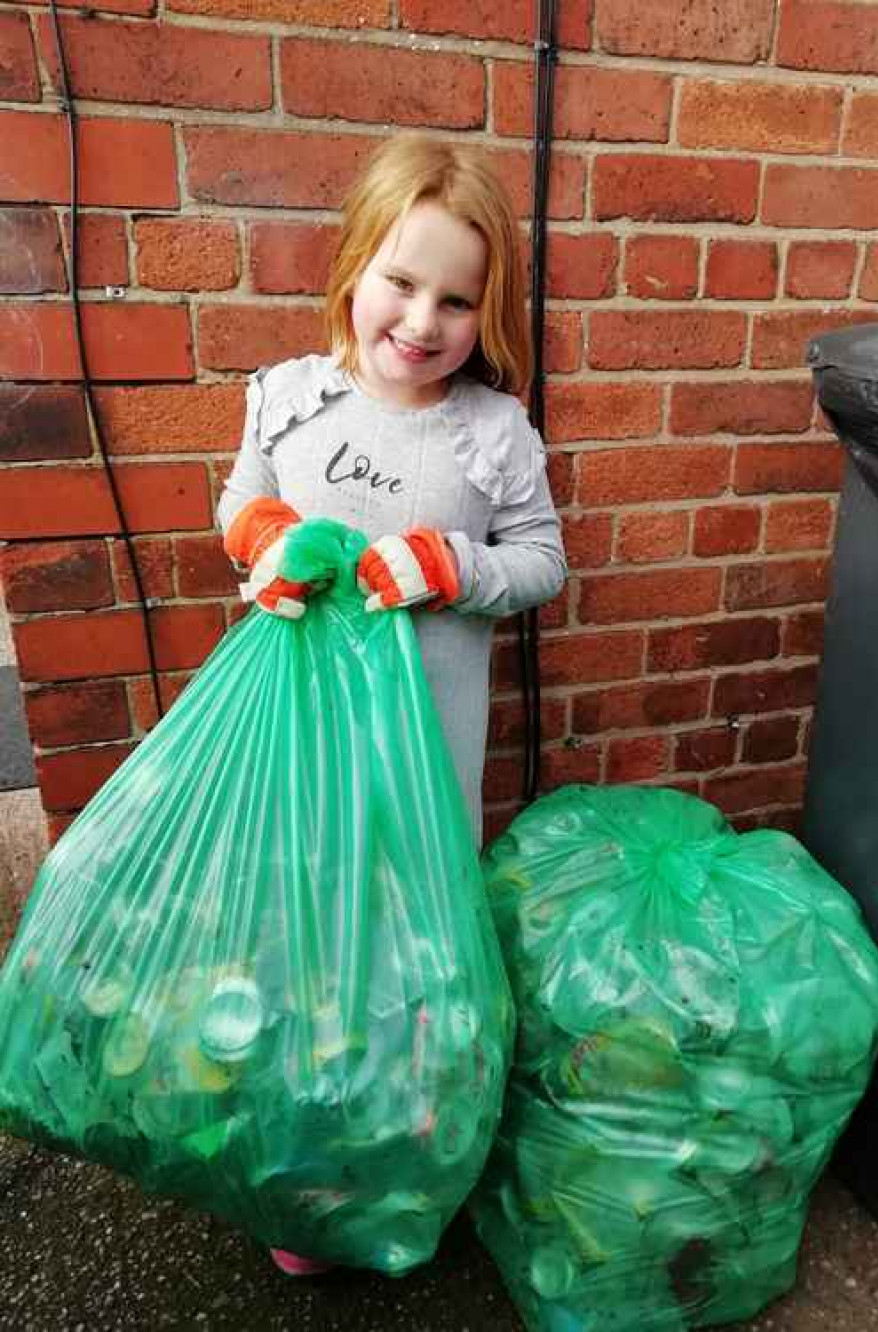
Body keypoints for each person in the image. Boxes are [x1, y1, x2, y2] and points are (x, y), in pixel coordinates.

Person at [216, 133, 567, 1275]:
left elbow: (544, 561)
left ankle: (404, 1162)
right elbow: (241, 502)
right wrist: (266, 543)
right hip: (296, 767)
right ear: (354, 266)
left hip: (424, 779)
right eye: (401, 283)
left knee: (409, 972)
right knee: (299, 961)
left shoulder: (491, 435)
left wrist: (456, 566)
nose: (422, 322)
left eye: (457, 300)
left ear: (487, 310)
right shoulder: (289, 399)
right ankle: (305, 1181)